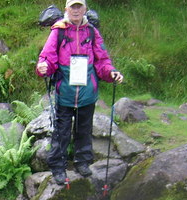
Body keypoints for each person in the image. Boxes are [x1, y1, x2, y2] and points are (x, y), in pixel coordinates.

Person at [36, 0, 123, 185]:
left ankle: (82, 162)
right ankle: (58, 168)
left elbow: (102, 60)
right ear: (67, 9)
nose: (76, 10)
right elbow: (48, 57)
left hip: (87, 92)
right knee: (61, 132)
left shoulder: (92, 31)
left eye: (79, 7)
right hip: (65, 91)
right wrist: (43, 67)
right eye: (72, 7)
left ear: (84, 9)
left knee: (84, 129)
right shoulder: (58, 31)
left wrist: (111, 72)